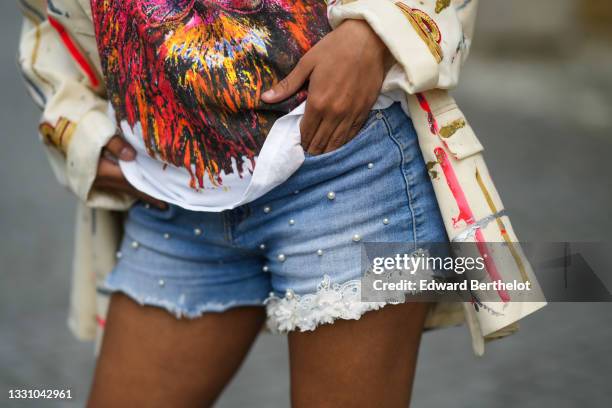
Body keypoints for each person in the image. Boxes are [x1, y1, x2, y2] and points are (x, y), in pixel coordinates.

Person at [18, 0, 544, 406]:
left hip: (347, 174)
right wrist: (76, 125)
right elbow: (43, 18)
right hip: (170, 198)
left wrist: (376, 32)